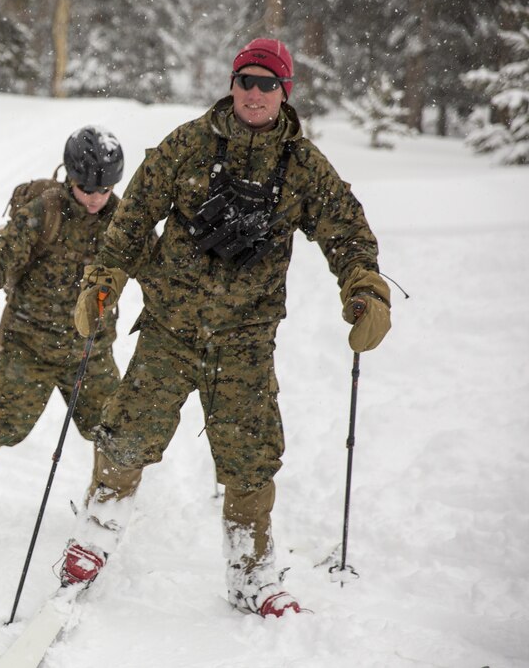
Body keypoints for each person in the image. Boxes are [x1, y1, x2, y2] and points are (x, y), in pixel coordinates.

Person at [57, 39, 392, 618]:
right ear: (232, 84)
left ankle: (252, 572)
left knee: (250, 459)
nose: (254, 93)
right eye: (246, 80)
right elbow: (132, 218)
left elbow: (347, 233)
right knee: (125, 435)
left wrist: (364, 290)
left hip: (245, 340)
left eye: (267, 83)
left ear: (284, 92)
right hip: (170, 327)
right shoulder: (187, 145)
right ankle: (95, 536)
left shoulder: (304, 167)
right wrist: (102, 280)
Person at [0, 126, 128, 537]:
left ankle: (103, 515)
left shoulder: (122, 220)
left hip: (90, 350)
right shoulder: (45, 210)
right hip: (27, 344)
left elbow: (156, 268)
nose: (94, 198)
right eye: (87, 188)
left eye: (103, 190)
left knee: (115, 429)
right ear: (71, 178)